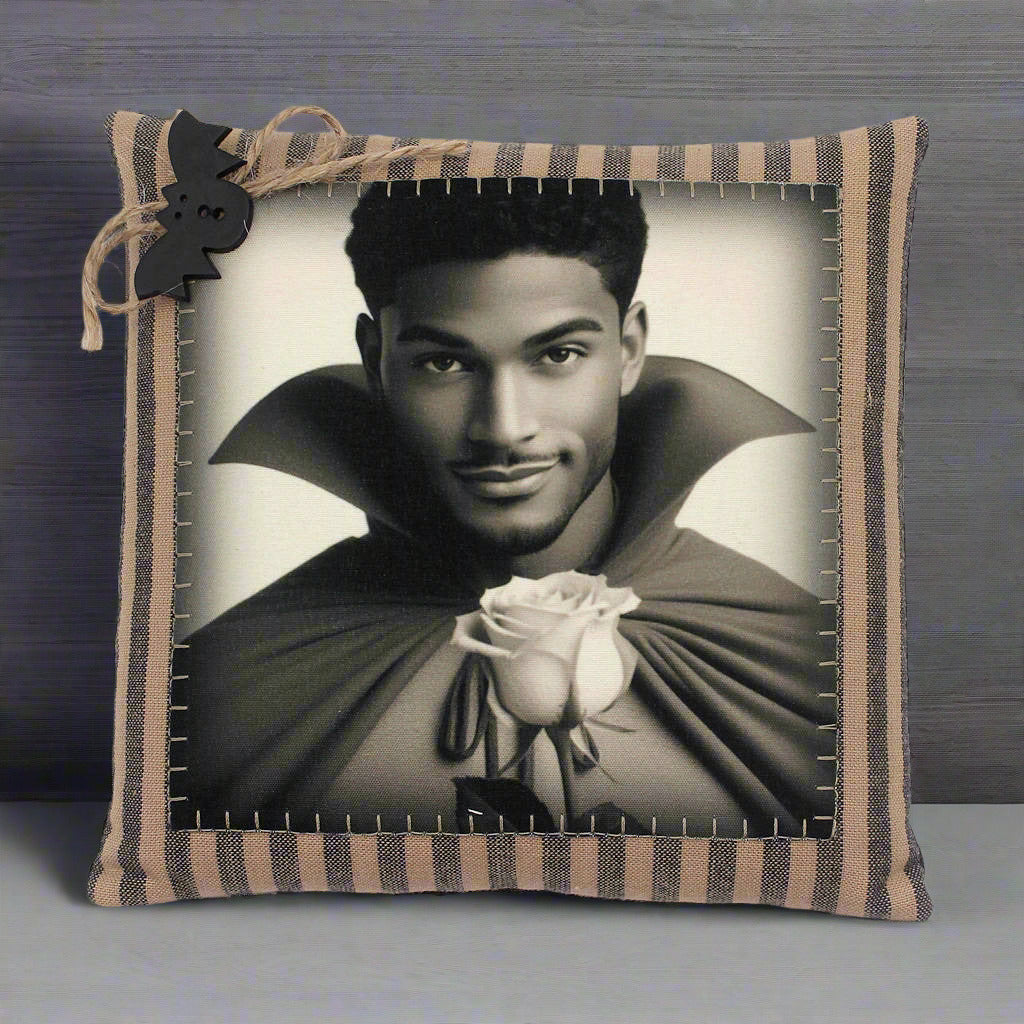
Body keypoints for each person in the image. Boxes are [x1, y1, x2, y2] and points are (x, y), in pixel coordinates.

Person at [179, 176, 837, 838]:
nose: (503, 428)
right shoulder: (226, 687)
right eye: (444, 363)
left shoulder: (801, 659)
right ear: (376, 361)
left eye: (558, 354)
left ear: (629, 349)